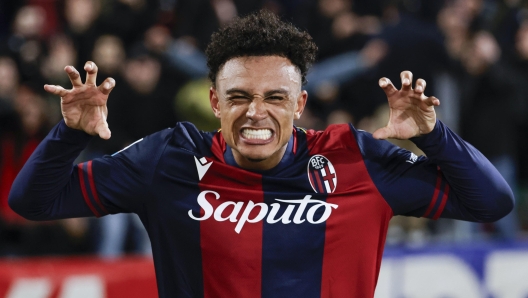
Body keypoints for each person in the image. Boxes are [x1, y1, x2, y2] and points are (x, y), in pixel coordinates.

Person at [8, 10, 513, 298]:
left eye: (275, 98)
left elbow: (491, 203)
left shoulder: (356, 160)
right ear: (214, 102)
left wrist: (432, 135)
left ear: (300, 104)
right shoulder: (170, 158)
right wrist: (70, 133)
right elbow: (35, 202)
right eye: (238, 97)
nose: (255, 113)